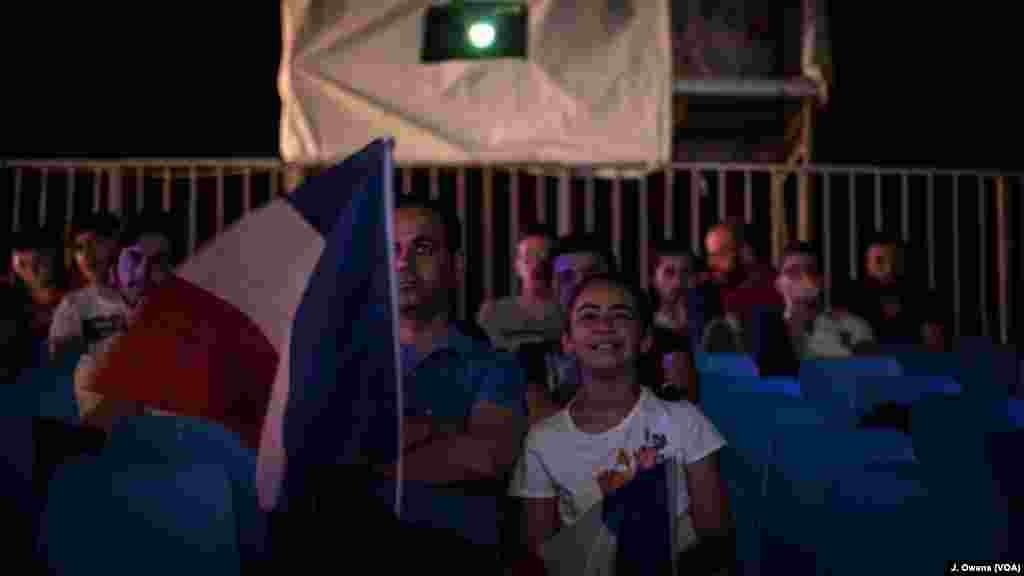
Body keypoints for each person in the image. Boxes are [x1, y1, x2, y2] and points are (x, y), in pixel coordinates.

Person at [510, 273, 731, 573]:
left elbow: (715, 540)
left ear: (645, 340)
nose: (604, 326)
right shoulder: (543, 440)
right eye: (589, 316)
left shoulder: (684, 421)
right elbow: (537, 558)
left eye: (620, 315)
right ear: (567, 342)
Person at [370, 196, 528, 562]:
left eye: (421, 247)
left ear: (455, 266)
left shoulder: (495, 365)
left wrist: (371, 450)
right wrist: (442, 433)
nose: (403, 262)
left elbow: (487, 459)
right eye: (392, 249)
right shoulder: (349, 364)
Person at [518, 234, 617, 423]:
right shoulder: (530, 357)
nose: (579, 285)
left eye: (591, 275)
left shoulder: (642, 350)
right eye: (566, 277)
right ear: (552, 288)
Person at [48, 213, 130, 422]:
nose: (88, 255)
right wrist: (111, 326)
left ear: (116, 246)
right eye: (79, 248)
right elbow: (57, 355)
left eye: (97, 243)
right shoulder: (73, 305)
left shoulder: (142, 294)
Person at [775, 242, 874, 359]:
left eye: (810, 271)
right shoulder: (767, 329)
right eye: (792, 271)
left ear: (822, 282)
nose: (803, 278)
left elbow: (868, 370)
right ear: (779, 284)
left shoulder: (853, 326)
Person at [477, 227, 561, 352]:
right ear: (517, 265)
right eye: (529, 257)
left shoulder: (569, 313)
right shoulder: (493, 312)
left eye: (544, 256)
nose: (536, 265)